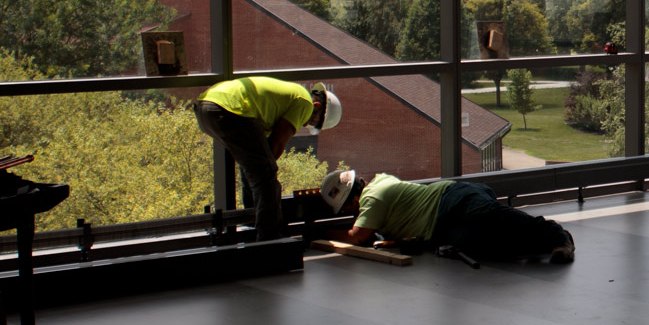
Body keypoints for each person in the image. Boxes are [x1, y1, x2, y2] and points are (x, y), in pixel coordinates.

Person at [318, 169, 574, 263]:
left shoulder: (373, 196)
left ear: (353, 198)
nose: (352, 215)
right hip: (441, 225)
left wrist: (319, 233)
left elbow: (358, 237)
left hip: (450, 200)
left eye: (348, 210)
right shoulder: (379, 186)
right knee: (484, 245)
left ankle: (557, 234)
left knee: (495, 218)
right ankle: (545, 247)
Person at [194, 76, 342, 239]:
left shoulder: (280, 103)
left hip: (205, 108)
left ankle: (253, 224)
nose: (306, 125)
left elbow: (261, 152)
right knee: (267, 178)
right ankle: (270, 241)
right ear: (316, 106)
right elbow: (276, 145)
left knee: (253, 171)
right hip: (228, 109)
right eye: (313, 122)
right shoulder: (304, 103)